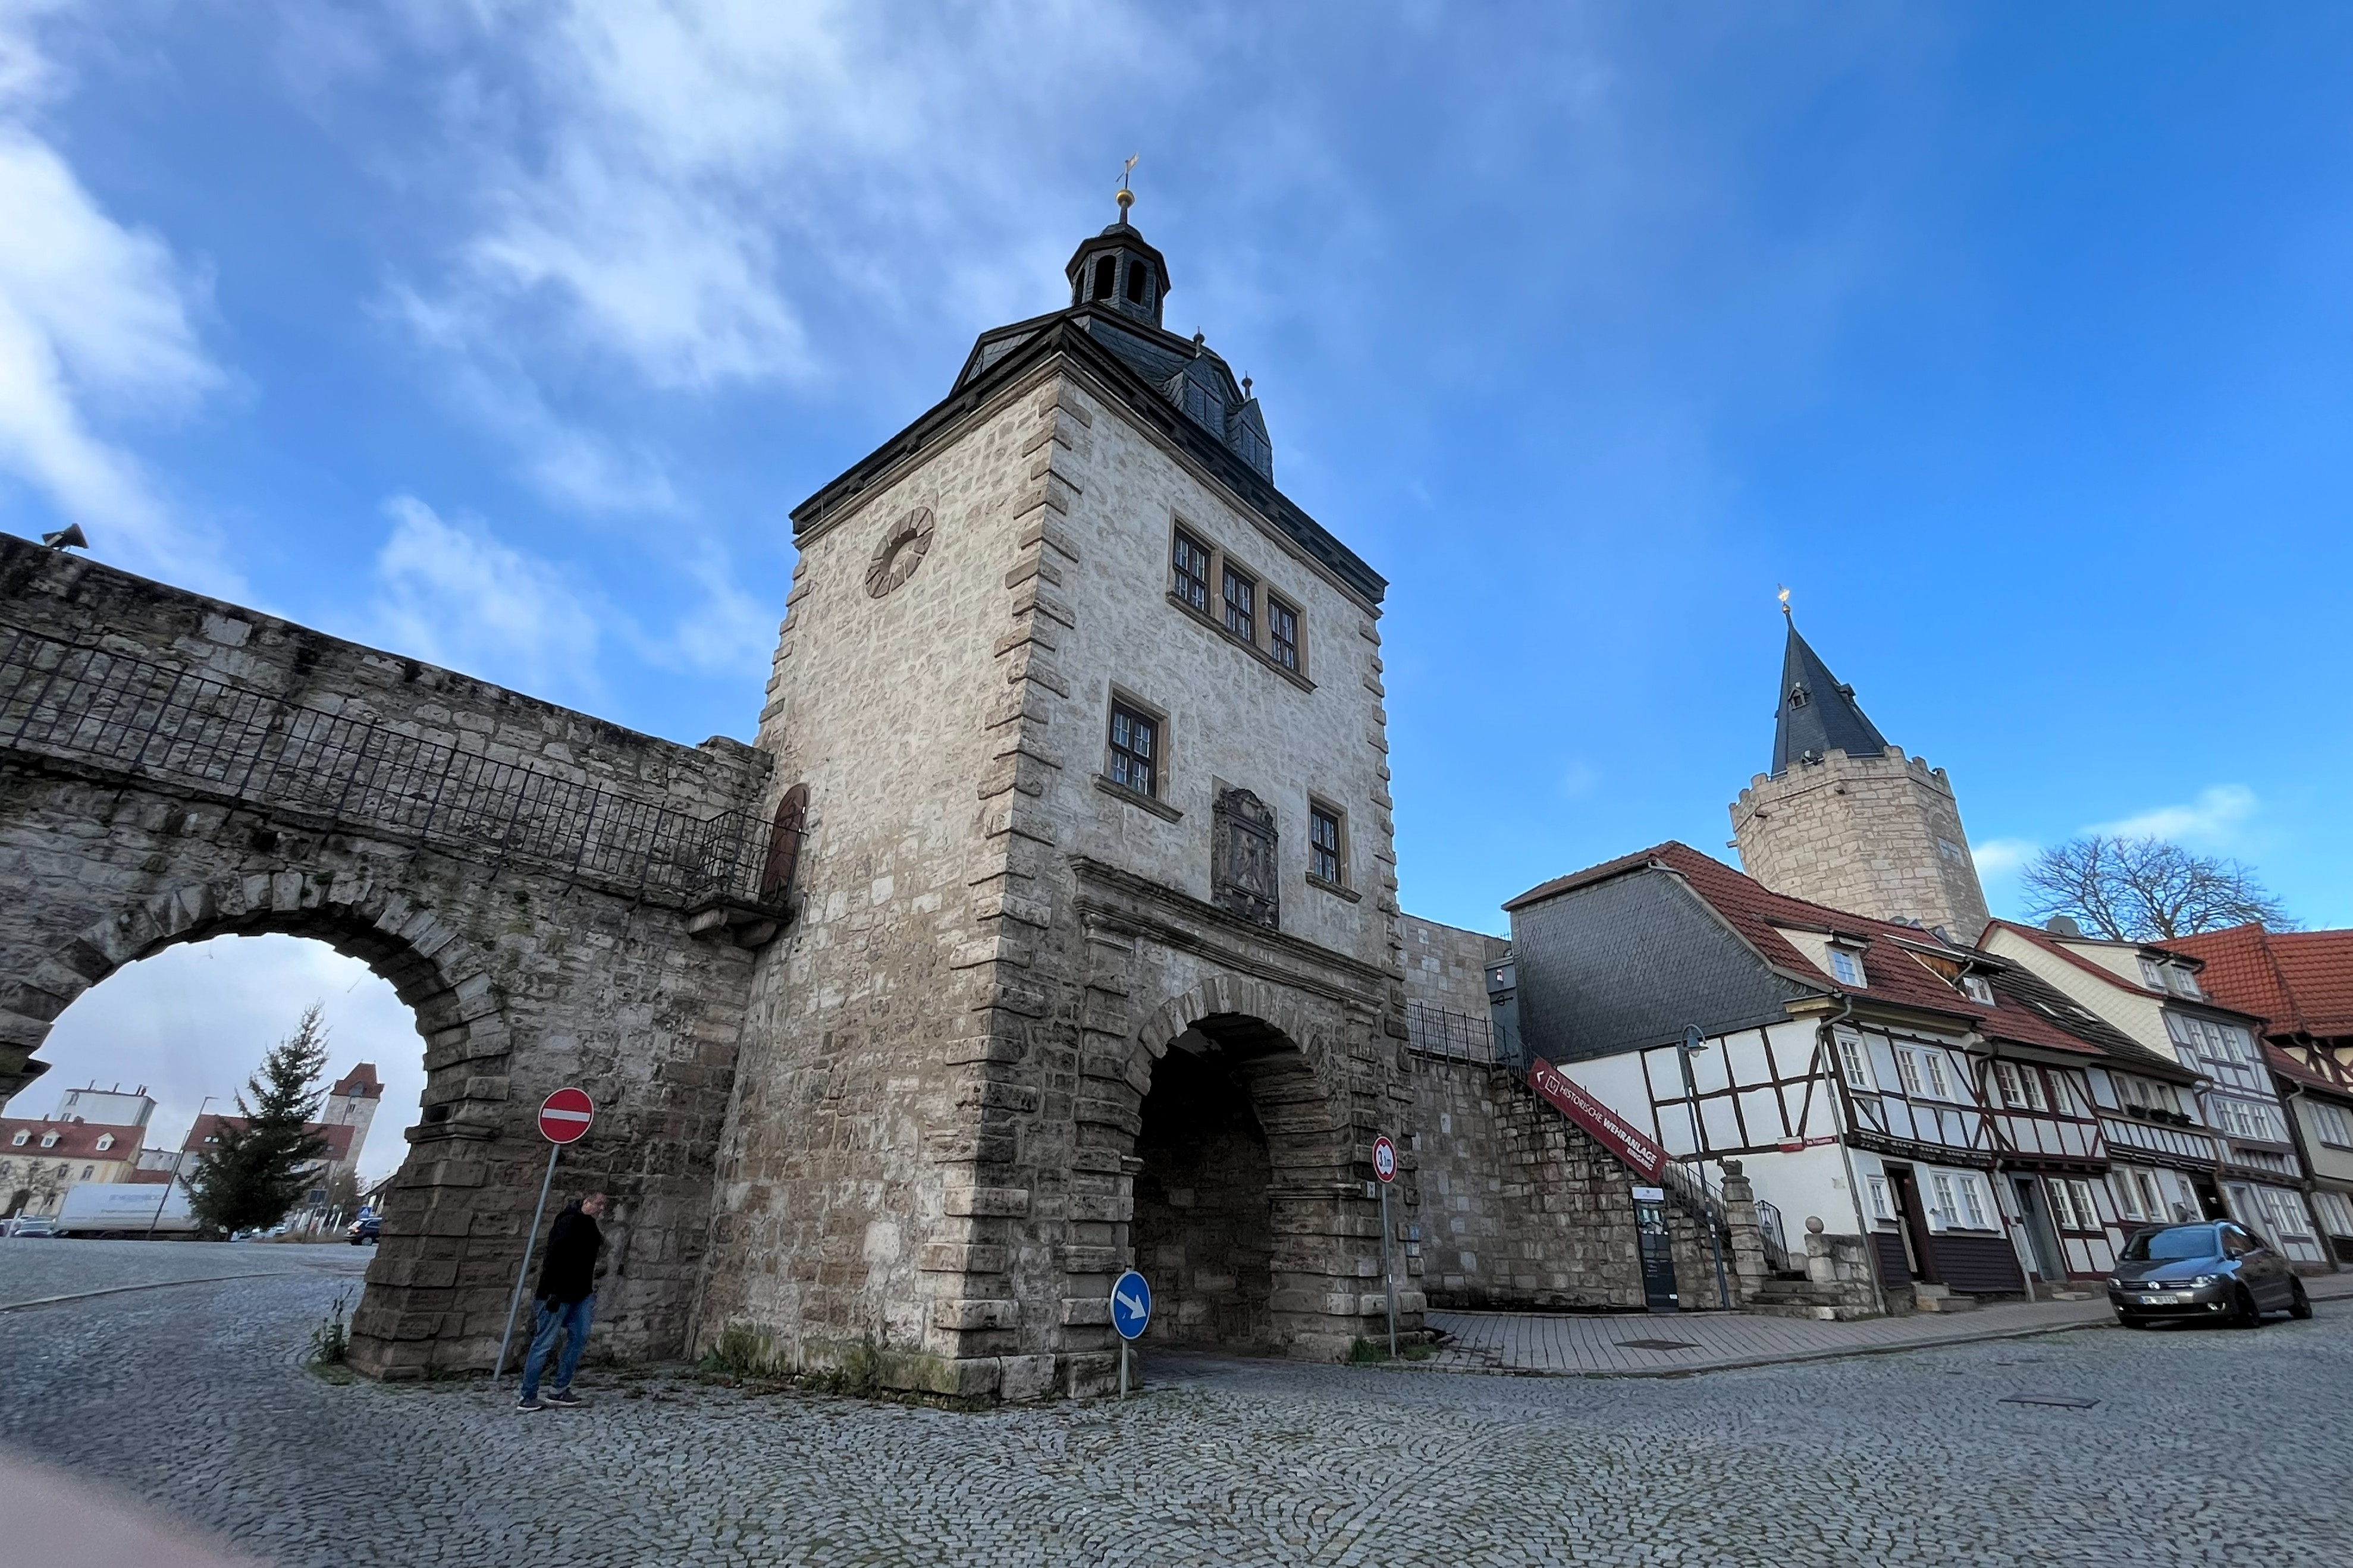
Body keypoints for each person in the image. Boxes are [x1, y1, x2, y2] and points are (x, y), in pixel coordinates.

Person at [517, 1192, 607, 1412]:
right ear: (587, 1202)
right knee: (544, 1342)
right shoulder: (567, 1223)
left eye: (604, 1206)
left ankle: (559, 1389)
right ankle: (528, 1396)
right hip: (556, 1294)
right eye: (599, 1204)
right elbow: (554, 1257)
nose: (602, 1209)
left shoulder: (590, 1227)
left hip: (580, 1294)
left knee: (580, 1336)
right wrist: (553, 1293)